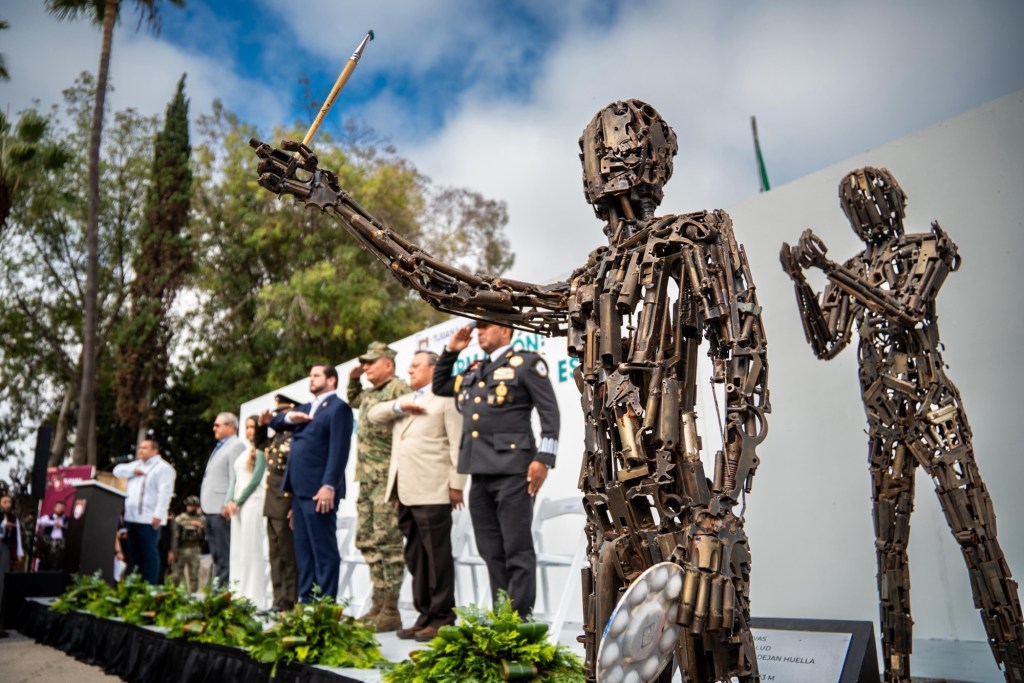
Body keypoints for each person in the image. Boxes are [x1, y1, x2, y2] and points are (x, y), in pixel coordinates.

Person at [252, 98, 769, 682]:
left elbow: (744, 366)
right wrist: (333, 198)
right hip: (611, 510)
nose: (612, 155)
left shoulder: (696, 240)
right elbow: (451, 288)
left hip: (685, 504)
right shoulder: (586, 281)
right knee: (614, 667)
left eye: (623, 142)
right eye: (603, 146)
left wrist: (719, 513)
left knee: (715, 662)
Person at [781, 167, 1024, 682]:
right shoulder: (850, 268)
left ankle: (1016, 660)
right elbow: (827, 342)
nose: (865, 210)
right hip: (885, 424)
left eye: (872, 199)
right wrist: (801, 281)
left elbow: (907, 311)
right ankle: (897, 672)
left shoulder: (927, 249)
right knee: (889, 549)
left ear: (896, 200)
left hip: (934, 412)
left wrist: (827, 268)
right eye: (854, 205)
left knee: (976, 535)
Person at [433, 322, 559, 617]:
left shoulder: (526, 363)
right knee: (491, 550)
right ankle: (502, 617)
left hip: (515, 470)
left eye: (486, 326)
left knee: (517, 549)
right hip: (479, 472)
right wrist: (451, 351)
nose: (479, 332)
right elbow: (440, 385)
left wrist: (544, 458)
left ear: (505, 329)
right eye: (478, 328)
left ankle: (519, 620)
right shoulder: (475, 369)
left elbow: (550, 413)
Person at [367, 350, 465, 641]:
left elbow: (457, 443)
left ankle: (443, 617)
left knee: (437, 557)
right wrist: (400, 406)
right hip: (405, 492)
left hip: (434, 490)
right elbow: (373, 415)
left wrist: (456, 484)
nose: (409, 370)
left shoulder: (446, 398)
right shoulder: (405, 402)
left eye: (415, 365)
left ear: (434, 369)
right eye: (409, 366)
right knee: (416, 558)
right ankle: (424, 615)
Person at [271, 363, 353, 602]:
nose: (311, 379)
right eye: (310, 376)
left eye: (316, 375)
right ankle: (306, 605)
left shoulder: (338, 408)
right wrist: (289, 416)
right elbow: (275, 423)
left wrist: (329, 485)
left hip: (320, 492)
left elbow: (339, 451)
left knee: (323, 551)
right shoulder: (305, 408)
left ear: (331, 381)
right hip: (299, 492)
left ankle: (326, 607)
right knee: (303, 553)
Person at [346, 341, 410, 631]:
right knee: (369, 541)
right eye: (365, 362)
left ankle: (391, 610)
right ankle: (377, 606)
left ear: (389, 363)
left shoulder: (398, 388)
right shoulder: (371, 393)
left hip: (387, 480)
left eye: (372, 362)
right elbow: (353, 399)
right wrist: (352, 377)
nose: (367, 367)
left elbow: (409, 431)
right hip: (367, 480)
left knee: (389, 544)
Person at [112, 439, 177, 584]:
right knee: (134, 554)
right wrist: (132, 471)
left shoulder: (163, 468)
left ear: (154, 450)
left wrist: (158, 515)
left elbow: (164, 494)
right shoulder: (136, 465)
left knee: (149, 554)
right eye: (140, 448)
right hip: (131, 517)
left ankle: (150, 586)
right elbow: (116, 471)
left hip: (149, 519)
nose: (140, 450)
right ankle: (135, 584)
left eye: (145, 448)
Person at [259, 394, 300, 611]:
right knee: (274, 554)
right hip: (271, 503)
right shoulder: (276, 438)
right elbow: (258, 442)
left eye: (281, 414)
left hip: (285, 503)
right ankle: (278, 599)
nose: (277, 418)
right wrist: (261, 424)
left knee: (287, 554)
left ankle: (290, 599)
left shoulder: (294, 437)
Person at [226, 416, 269, 608]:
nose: (249, 430)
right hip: (237, 505)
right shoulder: (242, 452)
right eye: (247, 427)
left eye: (253, 427)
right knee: (238, 550)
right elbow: (234, 480)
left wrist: (238, 500)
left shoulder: (260, 451)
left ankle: (254, 598)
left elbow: (256, 479)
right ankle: (237, 592)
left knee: (252, 550)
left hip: (253, 501)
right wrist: (229, 501)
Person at [200, 412, 245, 587]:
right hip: (210, 507)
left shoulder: (236, 445)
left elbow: (235, 477)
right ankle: (218, 588)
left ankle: (223, 592)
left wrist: (228, 502)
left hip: (221, 508)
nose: (214, 428)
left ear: (230, 427)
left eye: (217, 425)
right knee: (216, 554)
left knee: (224, 553)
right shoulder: (220, 446)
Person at [1, 494, 24, 637]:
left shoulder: (14, 519)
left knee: (2, 586)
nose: (7, 504)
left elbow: (18, 537)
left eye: (9, 502)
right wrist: (3, 525)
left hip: (5, 550)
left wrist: (19, 553)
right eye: (4, 501)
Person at [169, 495, 204, 592]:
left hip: (194, 548)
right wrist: (173, 550)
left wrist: (200, 527)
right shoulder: (180, 518)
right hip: (181, 549)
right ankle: (173, 593)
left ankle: (193, 595)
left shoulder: (201, 519)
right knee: (176, 575)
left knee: (194, 574)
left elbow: (205, 536)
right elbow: (175, 536)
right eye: (188, 505)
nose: (190, 507)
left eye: (192, 505)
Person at [36, 500, 70, 570]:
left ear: (64, 509)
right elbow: (40, 521)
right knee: (45, 564)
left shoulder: (66, 520)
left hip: (60, 547)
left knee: (58, 565)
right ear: (54, 508)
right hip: (49, 545)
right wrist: (53, 523)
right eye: (58, 507)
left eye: (62, 507)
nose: (60, 509)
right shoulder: (48, 517)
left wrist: (63, 526)